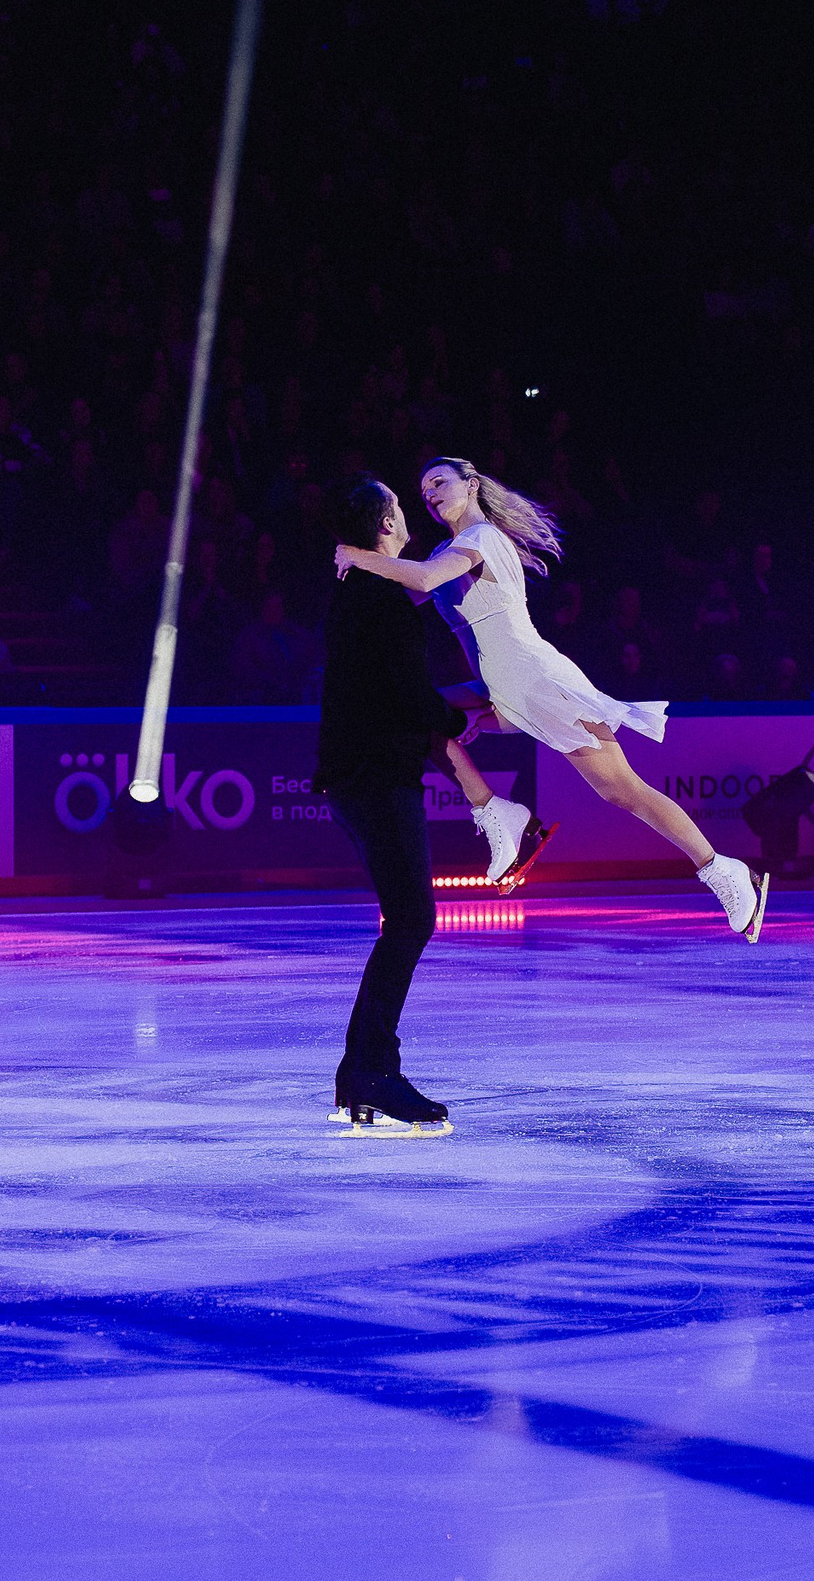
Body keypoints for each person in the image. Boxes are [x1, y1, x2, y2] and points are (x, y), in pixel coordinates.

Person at [335, 455, 768, 940]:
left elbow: (421, 580)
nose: (430, 493)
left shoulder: (480, 540)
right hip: (500, 685)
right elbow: (404, 591)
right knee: (419, 715)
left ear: (472, 485)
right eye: (423, 490)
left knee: (621, 790)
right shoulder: (446, 551)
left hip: (533, 679)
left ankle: (725, 872)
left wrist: (358, 554)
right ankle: (499, 813)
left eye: (439, 481)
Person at [316, 476, 463, 1136]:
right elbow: (407, 693)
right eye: (400, 510)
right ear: (382, 527)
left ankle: (363, 1071)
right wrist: (457, 715)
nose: (409, 517)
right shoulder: (381, 598)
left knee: (406, 919)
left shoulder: (361, 593)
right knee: (411, 919)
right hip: (375, 775)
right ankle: (373, 1070)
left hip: (361, 774)